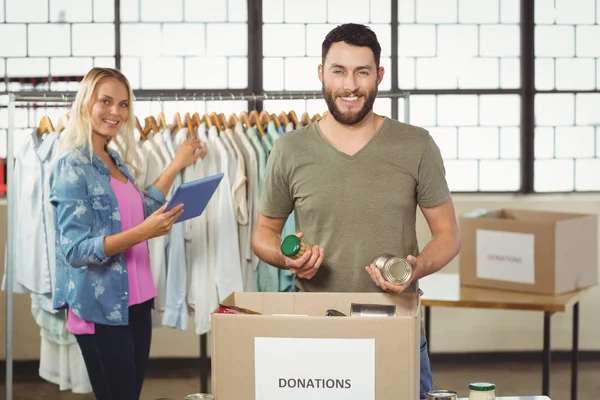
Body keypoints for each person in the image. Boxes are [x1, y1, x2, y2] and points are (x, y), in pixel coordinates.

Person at [251, 23, 461, 399]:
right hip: (315, 332)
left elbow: (448, 235)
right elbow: (263, 235)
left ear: (379, 75)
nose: (350, 85)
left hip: (397, 327)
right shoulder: (289, 149)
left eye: (362, 72)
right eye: (339, 71)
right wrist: (289, 259)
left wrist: (415, 267)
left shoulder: (416, 144)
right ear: (321, 73)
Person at [49, 67, 205, 400]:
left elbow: (141, 210)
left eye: (123, 104)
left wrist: (177, 166)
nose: (116, 112)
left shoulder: (114, 159)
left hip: (137, 298)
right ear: (85, 103)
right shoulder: (71, 165)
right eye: (106, 101)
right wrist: (142, 233)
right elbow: (74, 250)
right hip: (100, 304)